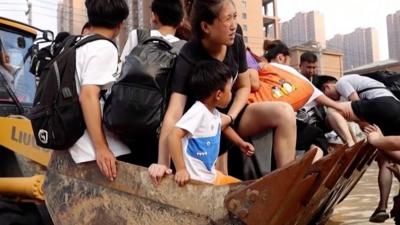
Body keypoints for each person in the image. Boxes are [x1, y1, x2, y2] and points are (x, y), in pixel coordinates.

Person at [148, 0, 297, 184]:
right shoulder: (189, 55)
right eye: (227, 19)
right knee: (219, 179)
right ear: (206, 26)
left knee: (285, 112)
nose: (234, 25)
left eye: (235, 17)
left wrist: (230, 118)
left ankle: (288, 183)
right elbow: (174, 112)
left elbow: (244, 86)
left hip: (230, 114)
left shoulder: (237, 44)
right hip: (204, 124)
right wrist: (163, 163)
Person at [317, 74, 400, 222]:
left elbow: (355, 102)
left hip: (381, 104)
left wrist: (368, 136)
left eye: (325, 95)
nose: (328, 98)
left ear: (327, 87)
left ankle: (351, 144)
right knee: (385, 161)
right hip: (394, 107)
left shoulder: (342, 81)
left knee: (333, 111)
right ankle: (381, 208)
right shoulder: (366, 82)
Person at [68, 0, 130, 182]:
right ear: (120, 24)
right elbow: (88, 95)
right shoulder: (104, 48)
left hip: (74, 144)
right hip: (95, 151)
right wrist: (101, 147)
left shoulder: (76, 45)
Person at [170, 61, 254, 186]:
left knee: (244, 189)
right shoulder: (198, 112)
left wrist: (240, 143)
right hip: (197, 181)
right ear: (219, 94)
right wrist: (181, 169)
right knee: (241, 193)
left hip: (212, 177)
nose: (231, 94)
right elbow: (174, 136)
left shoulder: (213, 112)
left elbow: (223, 126)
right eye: (230, 90)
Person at [299, 51, 356, 147]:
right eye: (308, 67)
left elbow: (334, 87)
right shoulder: (295, 80)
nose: (311, 71)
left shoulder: (320, 81)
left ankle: (353, 144)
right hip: (304, 123)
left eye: (314, 67)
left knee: (334, 112)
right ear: (300, 66)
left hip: (321, 121)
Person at [120, 0, 184, 62]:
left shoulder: (137, 35)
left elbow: (123, 65)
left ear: (153, 16)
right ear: (181, 21)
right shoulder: (183, 47)